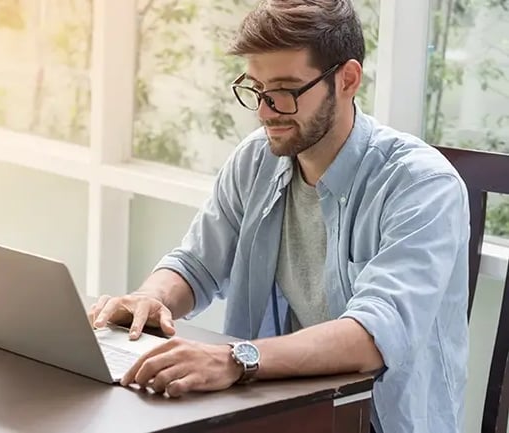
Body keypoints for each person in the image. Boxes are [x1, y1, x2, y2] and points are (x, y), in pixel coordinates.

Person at [87, 1, 470, 432]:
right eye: (257, 89)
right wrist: (151, 298)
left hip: (376, 422)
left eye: (285, 91)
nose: (266, 111)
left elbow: (372, 336)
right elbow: (197, 265)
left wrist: (237, 360)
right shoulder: (257, 159)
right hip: (283, 411)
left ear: (347, 80)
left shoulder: (420, 185)